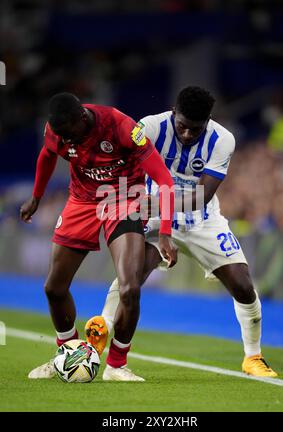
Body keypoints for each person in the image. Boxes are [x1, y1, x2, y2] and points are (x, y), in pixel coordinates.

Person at [88, 86, 278, 378]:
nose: (188, 134)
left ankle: (252, 357)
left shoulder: (222, 139)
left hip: (201, 220)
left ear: (209, 121)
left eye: (195, 130)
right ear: (173, 113)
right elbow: (124, 169)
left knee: (242, 284)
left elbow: (201, 196)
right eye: (182, 127)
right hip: (153, 216)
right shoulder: (149, 127)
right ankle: (101, 332)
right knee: (132, 275)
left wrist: (156, 204)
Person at [20, 92, 177, 382]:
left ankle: (116, 365)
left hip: (125, 199)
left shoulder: (121, 127)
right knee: (54, 288)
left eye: (69, 134)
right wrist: (36, 197)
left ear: (82, 119)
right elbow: (46, 155)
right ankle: (66, 354)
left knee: (130, 289)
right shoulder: (57, 130)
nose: (66, 141)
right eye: (61, 135)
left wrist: (164, 233)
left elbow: (165, 180)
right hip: (81, 201)